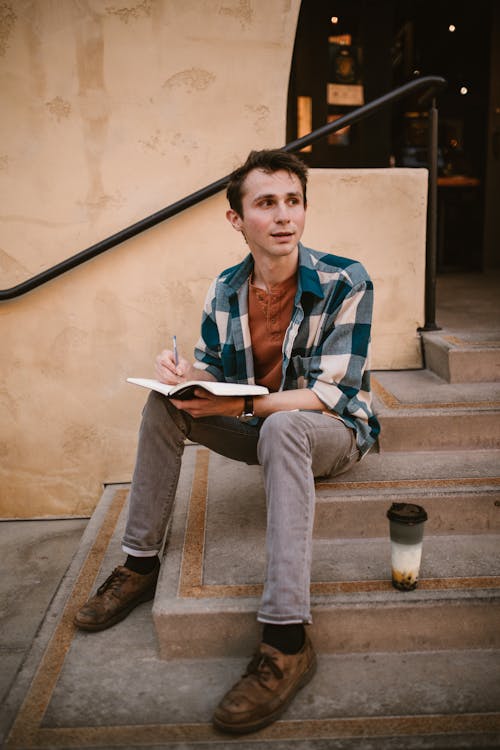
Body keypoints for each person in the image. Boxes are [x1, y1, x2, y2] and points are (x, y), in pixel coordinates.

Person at [74, 149, 380, 734]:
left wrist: (237, 403)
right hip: (259, 428)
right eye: (266, 203)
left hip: (328, 433)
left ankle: (287, 640)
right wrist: (187, 373)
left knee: (287, 424)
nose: (284, 216)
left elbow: (330, 394)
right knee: (164, 405)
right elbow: (218, 372)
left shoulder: (347, 280)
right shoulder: (227, 287)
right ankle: (138, 566)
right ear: (237, 220)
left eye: (294, 201)